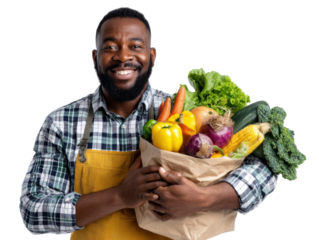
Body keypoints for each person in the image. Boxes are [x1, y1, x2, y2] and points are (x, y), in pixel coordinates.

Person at [19, 5, 279, 239]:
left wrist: (203, 199)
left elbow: (265, 172)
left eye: (135, 46)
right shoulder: (62, 121)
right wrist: (120, 196)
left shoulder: (188, 112)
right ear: (94, 57)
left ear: (152, 55)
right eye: (110, 47)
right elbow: (33, 209)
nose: (123, 56)